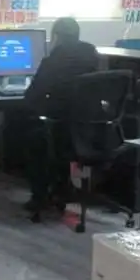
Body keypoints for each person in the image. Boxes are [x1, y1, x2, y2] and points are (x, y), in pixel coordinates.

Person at [22, 17, 100, 212]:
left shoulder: (53, 60)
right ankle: (61, 189)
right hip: (89, 130)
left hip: (62, 129)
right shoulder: (91, 55)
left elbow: (32, 96)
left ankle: (39, 196)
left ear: (55, 37)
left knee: (30, 135)